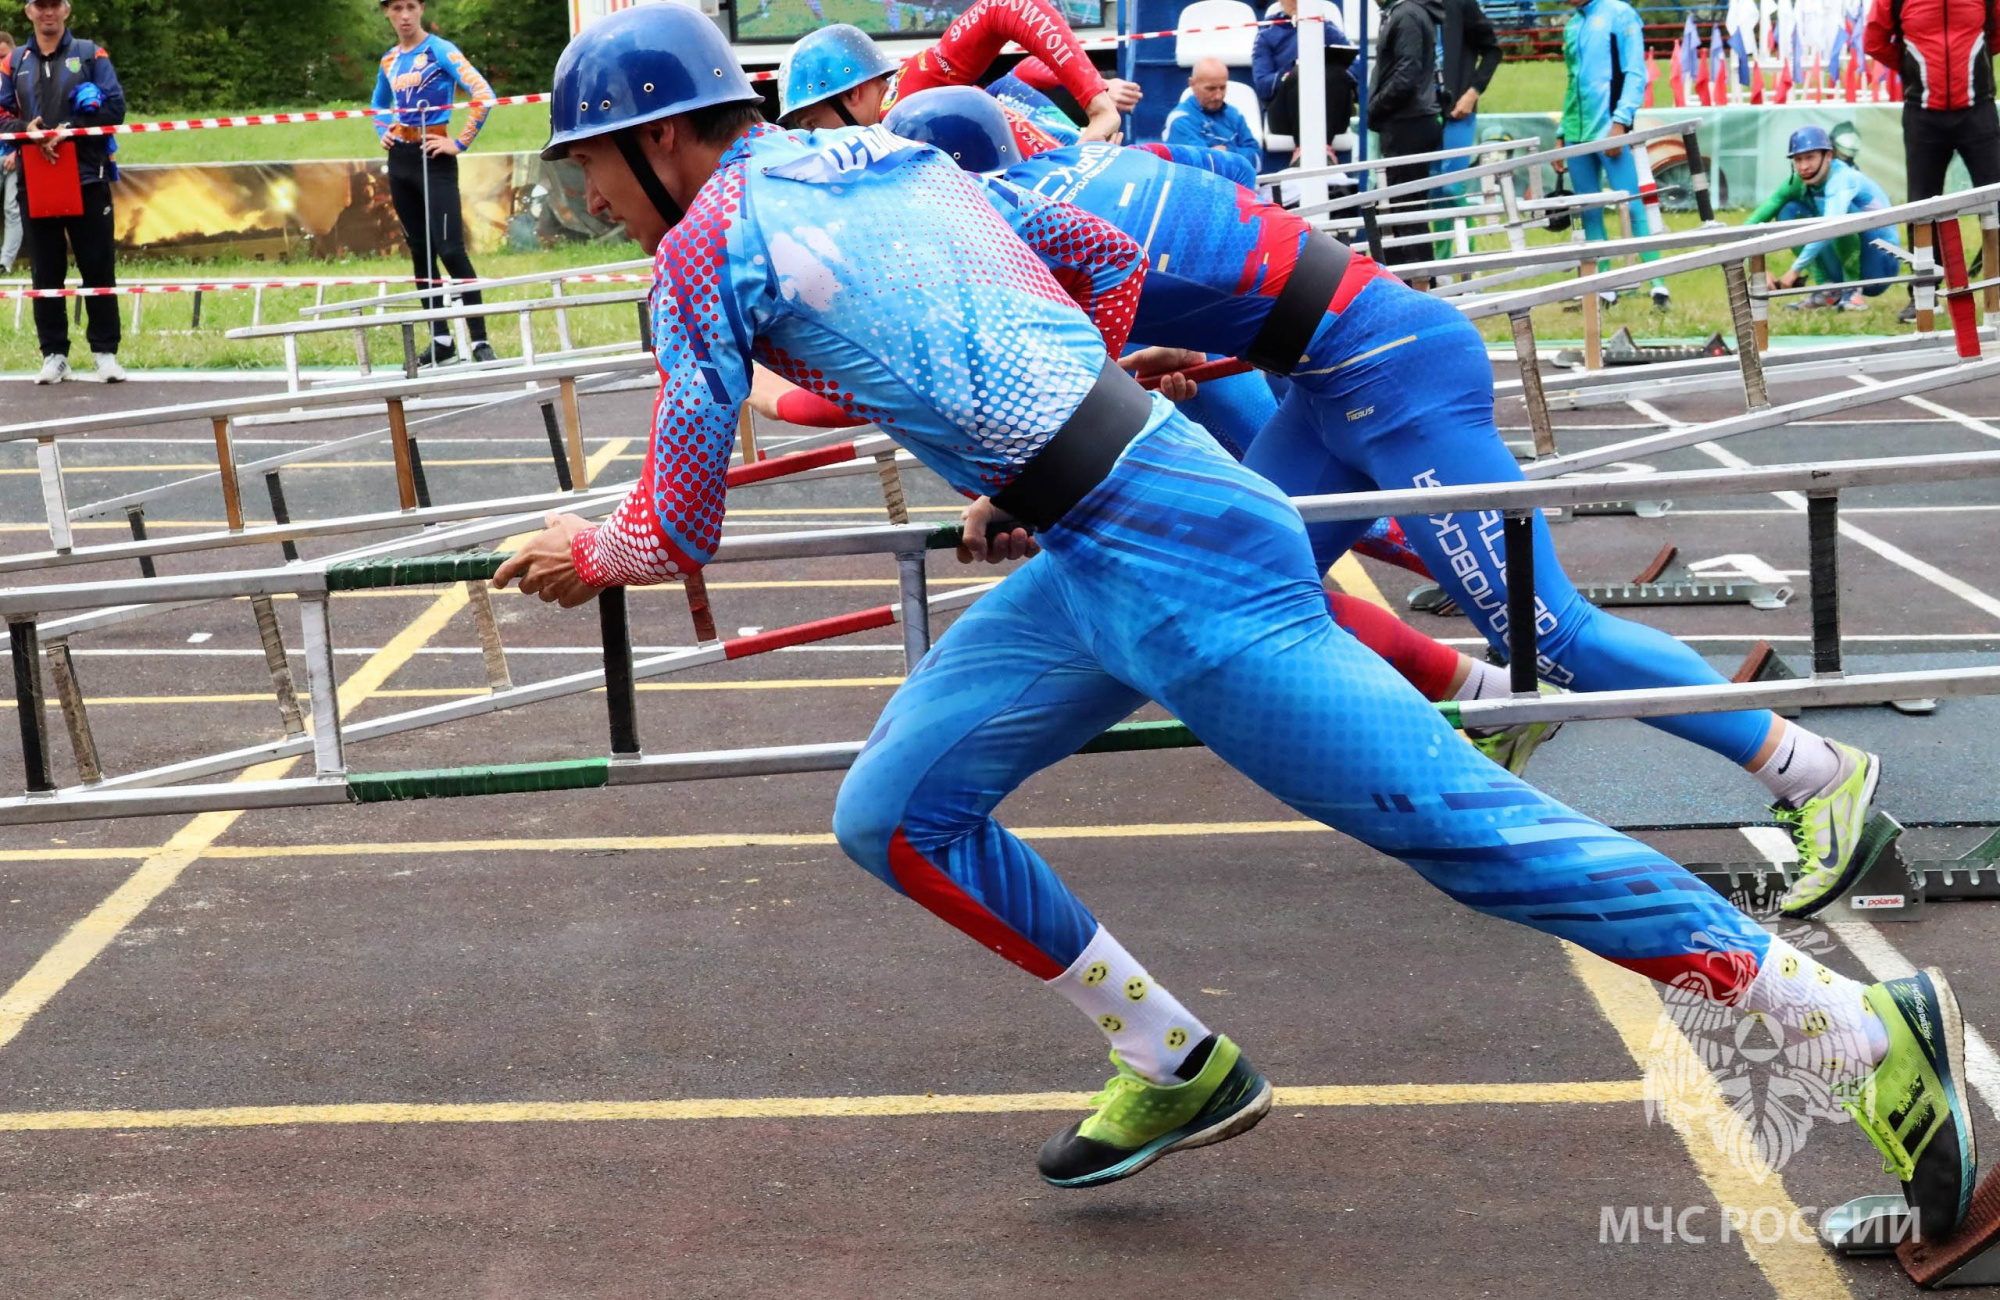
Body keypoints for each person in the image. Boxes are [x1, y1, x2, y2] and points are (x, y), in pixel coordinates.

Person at [496, 12, 1977, 1237]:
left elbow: (674, 527)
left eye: (594, 174)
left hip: (1178, 551)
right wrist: (1044, 423)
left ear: (663, 136)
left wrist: (582, 551)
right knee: (894, 812)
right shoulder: (883, 149)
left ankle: (1851, 1031)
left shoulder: (704, 253)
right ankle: (1172, 1059)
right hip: (1100, 537)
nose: (596, 203)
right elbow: (1087, 253)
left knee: (1469, 829)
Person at [887, 83, 1891, 921]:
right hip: (1337, 370)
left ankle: (1812, 769)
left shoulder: (1018, 224)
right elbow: (1251, 251)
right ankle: (1493, 703)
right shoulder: (1081, 169)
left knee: (1552, 630)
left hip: (1390, 377)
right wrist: (1193, 344)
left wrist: (1001, 491)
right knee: (1244, 574)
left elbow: (1051, 386)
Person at [776, 2, 1138, 144]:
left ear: (853, 95)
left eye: (811, 124)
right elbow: (1020, 76)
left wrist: (1098, 105)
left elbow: (1007, 7)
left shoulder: (908, 97)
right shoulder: (899, 114)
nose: (813, 139)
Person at [0, 0, 123, 384]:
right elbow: (1, 115)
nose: (48, 12)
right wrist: (29, 131)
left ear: (66, 10)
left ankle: (105, 354)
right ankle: (54, 355)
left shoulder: (91, 53)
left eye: (55, 5)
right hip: (36, 181)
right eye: (41, 5)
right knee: (45, 273)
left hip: (88, 176)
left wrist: (70, 127)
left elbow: (115, 107)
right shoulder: (12, 61)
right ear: (29, 12)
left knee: (98, 267)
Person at [371, 0, 499, 367]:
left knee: (451, 250)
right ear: (387, 13)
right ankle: (440, 340)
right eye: (397, 8)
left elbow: (483, 95)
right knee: (421, 252)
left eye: (411, 6)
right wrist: (383, 130)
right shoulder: (389, 61)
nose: (405, 15)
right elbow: (378, 103)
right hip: (401, 162)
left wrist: (458, 143)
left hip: (435, 158)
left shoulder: (440, 50)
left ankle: (479, 341)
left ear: (421, 8)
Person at [1864, 0, 2000, 324]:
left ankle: (1996, 289)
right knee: (1922, 208)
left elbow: (1996, 32)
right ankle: (1924, 295)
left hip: (1977, 108)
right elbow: (1874, 41)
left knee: (1997, 200)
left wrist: (1975, 64)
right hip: (1923, 113)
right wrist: (1913, 67)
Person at [1554, 0, 1670, 310]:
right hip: (1577, 134)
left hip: (1609, 129)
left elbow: (1635, 73)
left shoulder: (1619, 13)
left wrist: (1620, 123)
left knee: (1632, 205)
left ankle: (1658, 284)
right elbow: (1571, 81)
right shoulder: (1572, 24)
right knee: (1589, 209)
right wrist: (1562, 134)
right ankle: (1602, 288)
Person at [1748, 125, 1900, 313]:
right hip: (1846, 255)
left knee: (1839, 220)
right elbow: (1751, 225)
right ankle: (1826, 290)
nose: (1804, 167)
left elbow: (1829, 228)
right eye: (1798, 159)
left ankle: (1853, 292)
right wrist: (1757, 270)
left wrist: (1794, 270)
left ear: (1828, 156)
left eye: (1810, 157)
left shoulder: (1842, 179)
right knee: (1788, 211)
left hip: (1881, 266)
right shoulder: (1796, 181)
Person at [1366, 0, 1449, 267]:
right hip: (1407, 121)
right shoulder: (1403, 13)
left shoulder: (1406, 15)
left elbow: (1407, 75)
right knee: (1404, 212)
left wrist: (1376, 108)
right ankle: (1413, 284)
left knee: (1407, 213)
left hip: (1408, 123)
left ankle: (1419, 287)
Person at [1252, 0, 1357, 149]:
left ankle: (1318, 149)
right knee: (1302, 72)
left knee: (1334, 71)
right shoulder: (1267, 34)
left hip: (1331, 111)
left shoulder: (1328, 29)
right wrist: (1291, 70)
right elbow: (1263, 86)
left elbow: (1355, 69)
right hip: (1285, 116)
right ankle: (1312, 149)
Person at [1163, 57, 1263, 179]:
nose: (1218, 96)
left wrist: (1227, 152)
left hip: (1243, 189)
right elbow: (1206, 168)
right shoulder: (1179, 121)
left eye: (1223, 87)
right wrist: (1238, 157)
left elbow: (1258, 159)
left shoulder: (1234, 114)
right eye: (1210, 89)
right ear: (1192, 84)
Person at [1435, 0, 1503, 179]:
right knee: (1425, 190)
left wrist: (1473, 93)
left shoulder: (1462, 4)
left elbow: (1492, 51)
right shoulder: (1409, 6)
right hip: (1420, 115)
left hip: (1458, 110)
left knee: (1452, 187)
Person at [0, 30, 19, 275]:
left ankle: (4, 263)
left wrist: (19, 153)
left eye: (3, 56)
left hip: (16, 155)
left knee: (12, 209)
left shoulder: (23, 81)